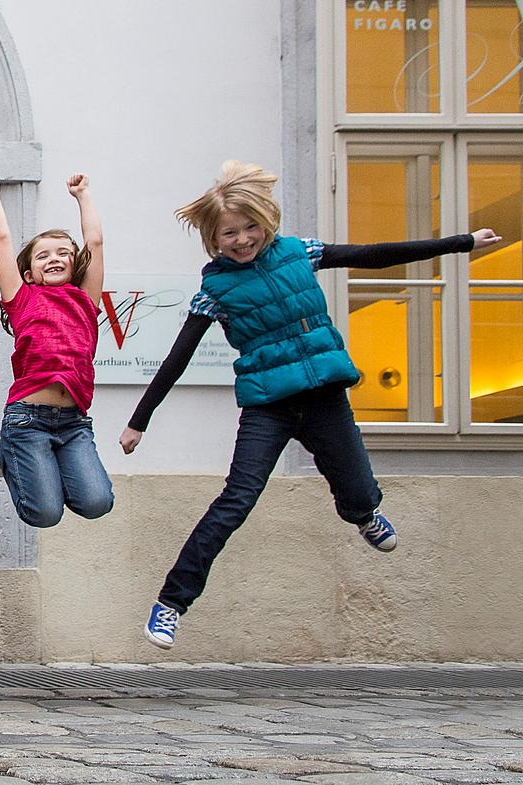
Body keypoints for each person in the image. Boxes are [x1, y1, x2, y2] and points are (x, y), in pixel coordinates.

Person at [124, 160, 504, 649]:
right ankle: (170, 604)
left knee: (360, 492)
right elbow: (177, 359)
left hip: (324, 395)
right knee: (235, 500)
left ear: (266, 221)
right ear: (213, 240)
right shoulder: (214, 291)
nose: (241, 240)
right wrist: (139, 423)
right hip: (269, 406)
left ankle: (364, 515)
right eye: (229, 234)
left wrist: (461, 242)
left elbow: (374, 254)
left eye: (249, 227)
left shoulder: (299, 253)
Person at [0, 170, 115, 529]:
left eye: (62, 253)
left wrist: (83, 195)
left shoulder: (85, 301)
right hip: (27, 420)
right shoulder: (23, 299)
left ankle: (47, 467)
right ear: (28, 273)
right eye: (42, 256)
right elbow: (2, 237)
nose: (53, 259)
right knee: (45, 514)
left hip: (73, 423)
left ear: (75, 264)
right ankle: (9, 454)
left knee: (98, 502)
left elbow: (96, 243)